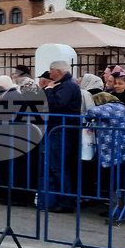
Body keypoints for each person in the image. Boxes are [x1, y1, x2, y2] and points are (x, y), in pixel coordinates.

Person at [43, 60, 82, 212]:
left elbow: (56, 105)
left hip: (62, 130)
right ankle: (61, 198)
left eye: (51, 69)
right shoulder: (67, 85)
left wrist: (48, 90)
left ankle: (66, 201)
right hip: (61, 129)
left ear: (58, 71)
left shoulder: (67, 86)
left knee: (59, 167)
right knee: (58, 166)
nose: (49, 72)